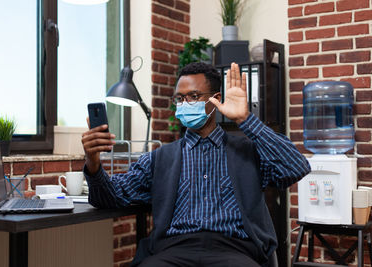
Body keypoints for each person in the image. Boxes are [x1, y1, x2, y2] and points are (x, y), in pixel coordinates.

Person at [81, 62, 311, 267]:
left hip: (234, 251)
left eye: (193, 96)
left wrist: (245, 119)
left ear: (216, 100)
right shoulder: (159, 159)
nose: (185, 103)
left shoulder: (249, 152)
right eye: (179, 99)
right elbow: (109, 198)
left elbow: (296, 167)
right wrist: (93, 162)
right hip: (173, 250)